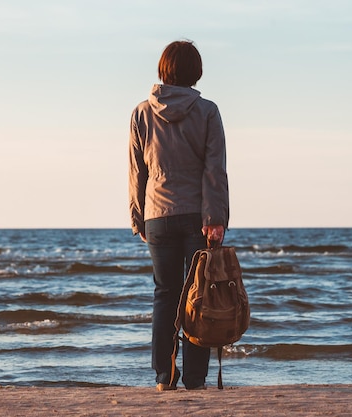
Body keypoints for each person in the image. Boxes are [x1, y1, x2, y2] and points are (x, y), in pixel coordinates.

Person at [128, 40, 229, 391]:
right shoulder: (208, 111)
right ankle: (196, 379)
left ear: (163, 68)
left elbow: (136, 172)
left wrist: (137, 216)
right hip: (198, 217)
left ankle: (163, 377)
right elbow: (215, 170)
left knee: (164, 295)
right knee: (198, 297)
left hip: (157, 215)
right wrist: (216, 219)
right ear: (195, 72)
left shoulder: (142, 112)